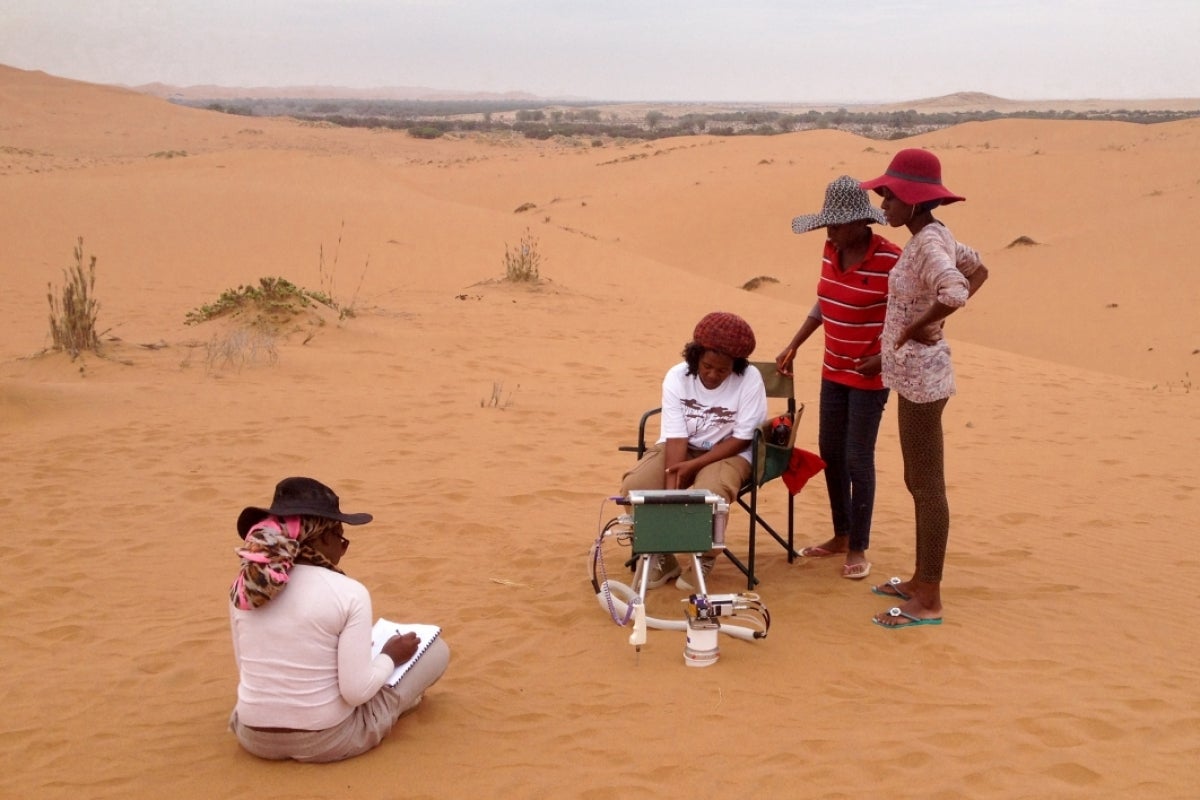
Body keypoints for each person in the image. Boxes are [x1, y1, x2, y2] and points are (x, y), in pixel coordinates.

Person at [227, 477, 450, 761]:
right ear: (320, 538)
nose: (342, 551)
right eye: (341, 540)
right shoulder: (348, 593)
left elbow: (245, 666)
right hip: (328, 741)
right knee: (437, 651)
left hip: (252, 736)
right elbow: (356, 692)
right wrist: (390, 657)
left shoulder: (245, 588)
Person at [858, 148, 988, 628]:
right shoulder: (934, 235)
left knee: (927, 485)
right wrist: (890, 351)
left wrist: (919, 327)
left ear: (913, 200)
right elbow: (979, 271)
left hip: (922, 381)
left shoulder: (928, 245)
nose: (882, 203)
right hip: (910, 374)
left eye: (889, 195)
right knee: (918, 480)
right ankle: (919, 580)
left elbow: (956, 289)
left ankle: (928, 597)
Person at [776, 175, 900, 581]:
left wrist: (884, 357)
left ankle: (859, 547)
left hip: (868, 378)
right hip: (833, 370)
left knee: (857, 458)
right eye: (827, 223)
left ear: (862, 223)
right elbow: (825, 299)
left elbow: (914, 317)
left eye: (837, 223)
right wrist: (795, 343)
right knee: (831, 452)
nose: (829, 231)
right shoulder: (831, 250)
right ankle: (841, 535)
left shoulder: (891, 260)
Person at [621, 311, 768, 591]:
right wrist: (670, 493)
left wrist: (693, 468)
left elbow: (742, 438)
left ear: (736, 366)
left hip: (729, 453)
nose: (713, 375)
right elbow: (676, 437)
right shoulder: (677, 376)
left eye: (722, 370)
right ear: (695, 357)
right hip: (681, 447)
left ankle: (704, 556)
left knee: (710, 495)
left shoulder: (750, 379)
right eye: (707, 366)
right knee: (635, 487)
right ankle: (662, 555)